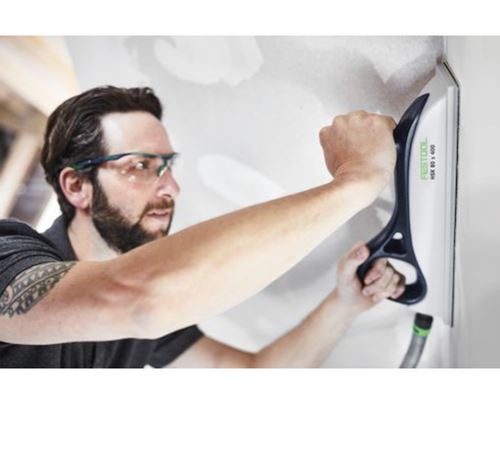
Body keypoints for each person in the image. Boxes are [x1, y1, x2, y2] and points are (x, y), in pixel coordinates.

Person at [0, 86, 405, 368]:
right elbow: (141, 297)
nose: (171, 188)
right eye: (140, 166)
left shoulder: (132, 321)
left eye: (167, 168)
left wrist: (343, 304)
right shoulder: (8, 260)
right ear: (77, 186)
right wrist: (357, 179)